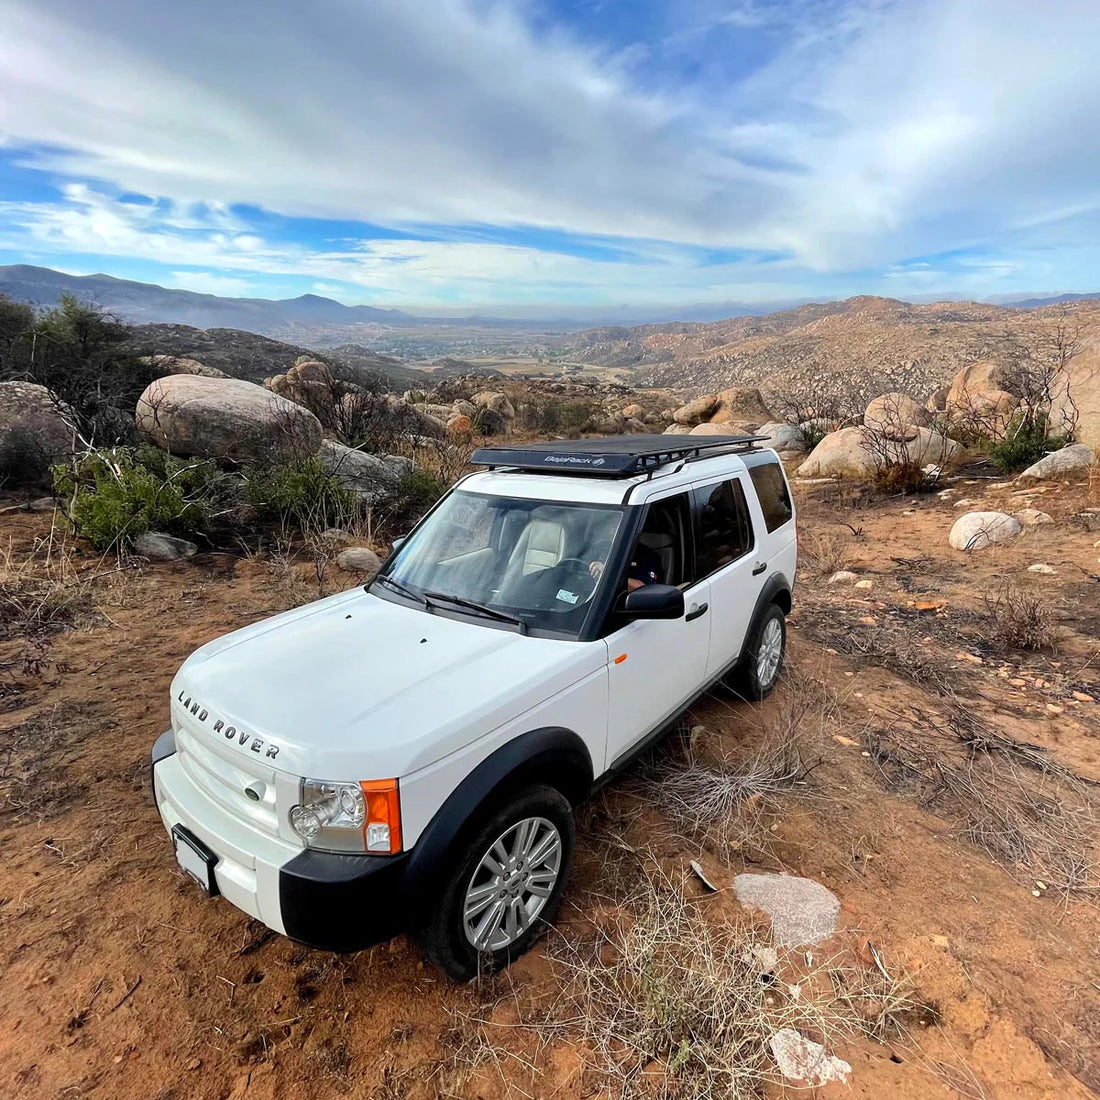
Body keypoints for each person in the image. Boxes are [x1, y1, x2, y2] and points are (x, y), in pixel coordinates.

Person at [588, 539, 663, 592]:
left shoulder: (646, 554)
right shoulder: (600, 548)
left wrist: (609, 575)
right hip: (588, 601)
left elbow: (646, 590)